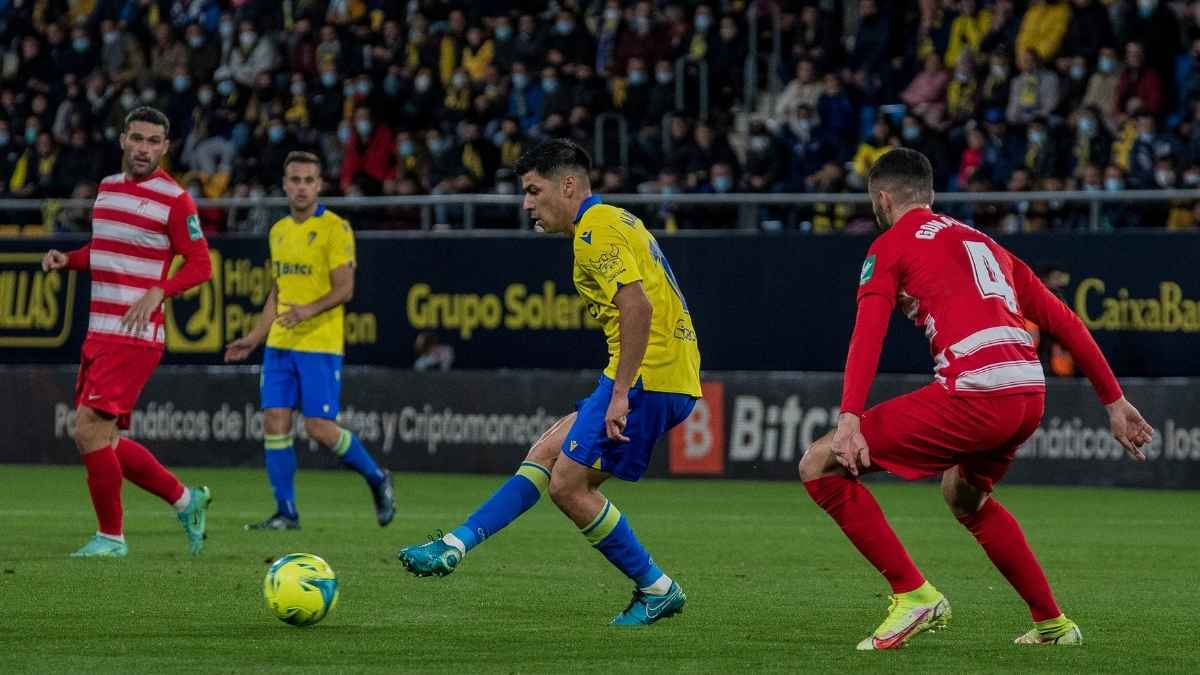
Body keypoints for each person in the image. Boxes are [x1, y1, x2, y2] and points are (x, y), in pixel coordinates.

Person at [797, 148, 1154, 650]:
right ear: (931, 195)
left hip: (977, 390)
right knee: (964, 494)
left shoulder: (889, 245)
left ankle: (912, 595)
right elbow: (1063, 321)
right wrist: (1113, 401)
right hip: (1028, 392)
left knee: (819, 463)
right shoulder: (982, 242)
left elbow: (868, 332)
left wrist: (850, 416)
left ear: (881, 198)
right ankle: (1053, 624)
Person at [396, 140, 702, 626]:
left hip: (648, 375)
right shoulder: (618, 219)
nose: (526, 204)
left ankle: (657, 587)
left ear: (567, 185)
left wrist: (622, 393)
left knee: (567, 486)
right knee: (545, 453)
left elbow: (637, 307)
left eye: (533, 191)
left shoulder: (594, 233)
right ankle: (455, 545)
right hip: (661, 369)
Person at [40, 107, 214, 558]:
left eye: (153, 141)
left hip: (134, 335)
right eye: (136, 138)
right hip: (99, 332)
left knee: (86, 431)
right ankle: (185, 500)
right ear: (122, 140)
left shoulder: (175, 200)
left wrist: (161, 290)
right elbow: (105, 250)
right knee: (106, 440)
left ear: (165, 147)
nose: (143, 148)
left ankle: (111, 539)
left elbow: (201, 264)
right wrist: (70, 260)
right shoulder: (107, 189)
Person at [223, 151, 395, 530]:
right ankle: (286, 512)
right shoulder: (278, 231)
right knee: (274, 420)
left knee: (319, 427)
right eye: (295, 180)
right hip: (280, 343)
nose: (301, 187)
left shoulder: (335, 228)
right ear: (285, 185)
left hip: (319, 342)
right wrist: (253, 337)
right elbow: (278, 292)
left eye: (308, 181)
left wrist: (306, 311)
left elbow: (345, 289)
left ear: (319, 185)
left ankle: (377, 477)